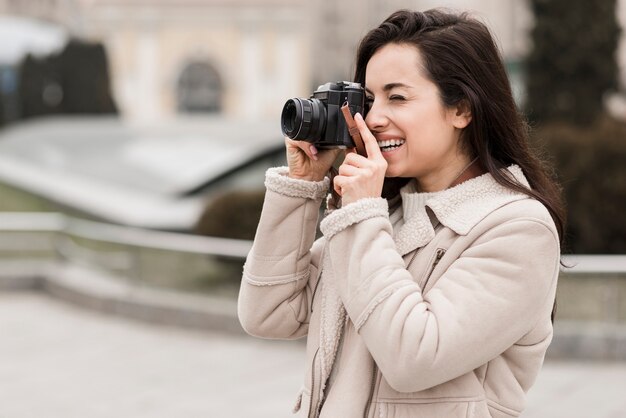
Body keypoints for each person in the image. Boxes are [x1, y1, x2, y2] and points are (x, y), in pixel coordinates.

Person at [238, 8, 565, 418]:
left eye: (397, 97)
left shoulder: (517, 229)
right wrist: (302, 187)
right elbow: (267, 313)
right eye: (371, 100)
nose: (372, 119)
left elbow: (415, 358)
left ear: (461, 109)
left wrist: (361, 215)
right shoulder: (385, 216)